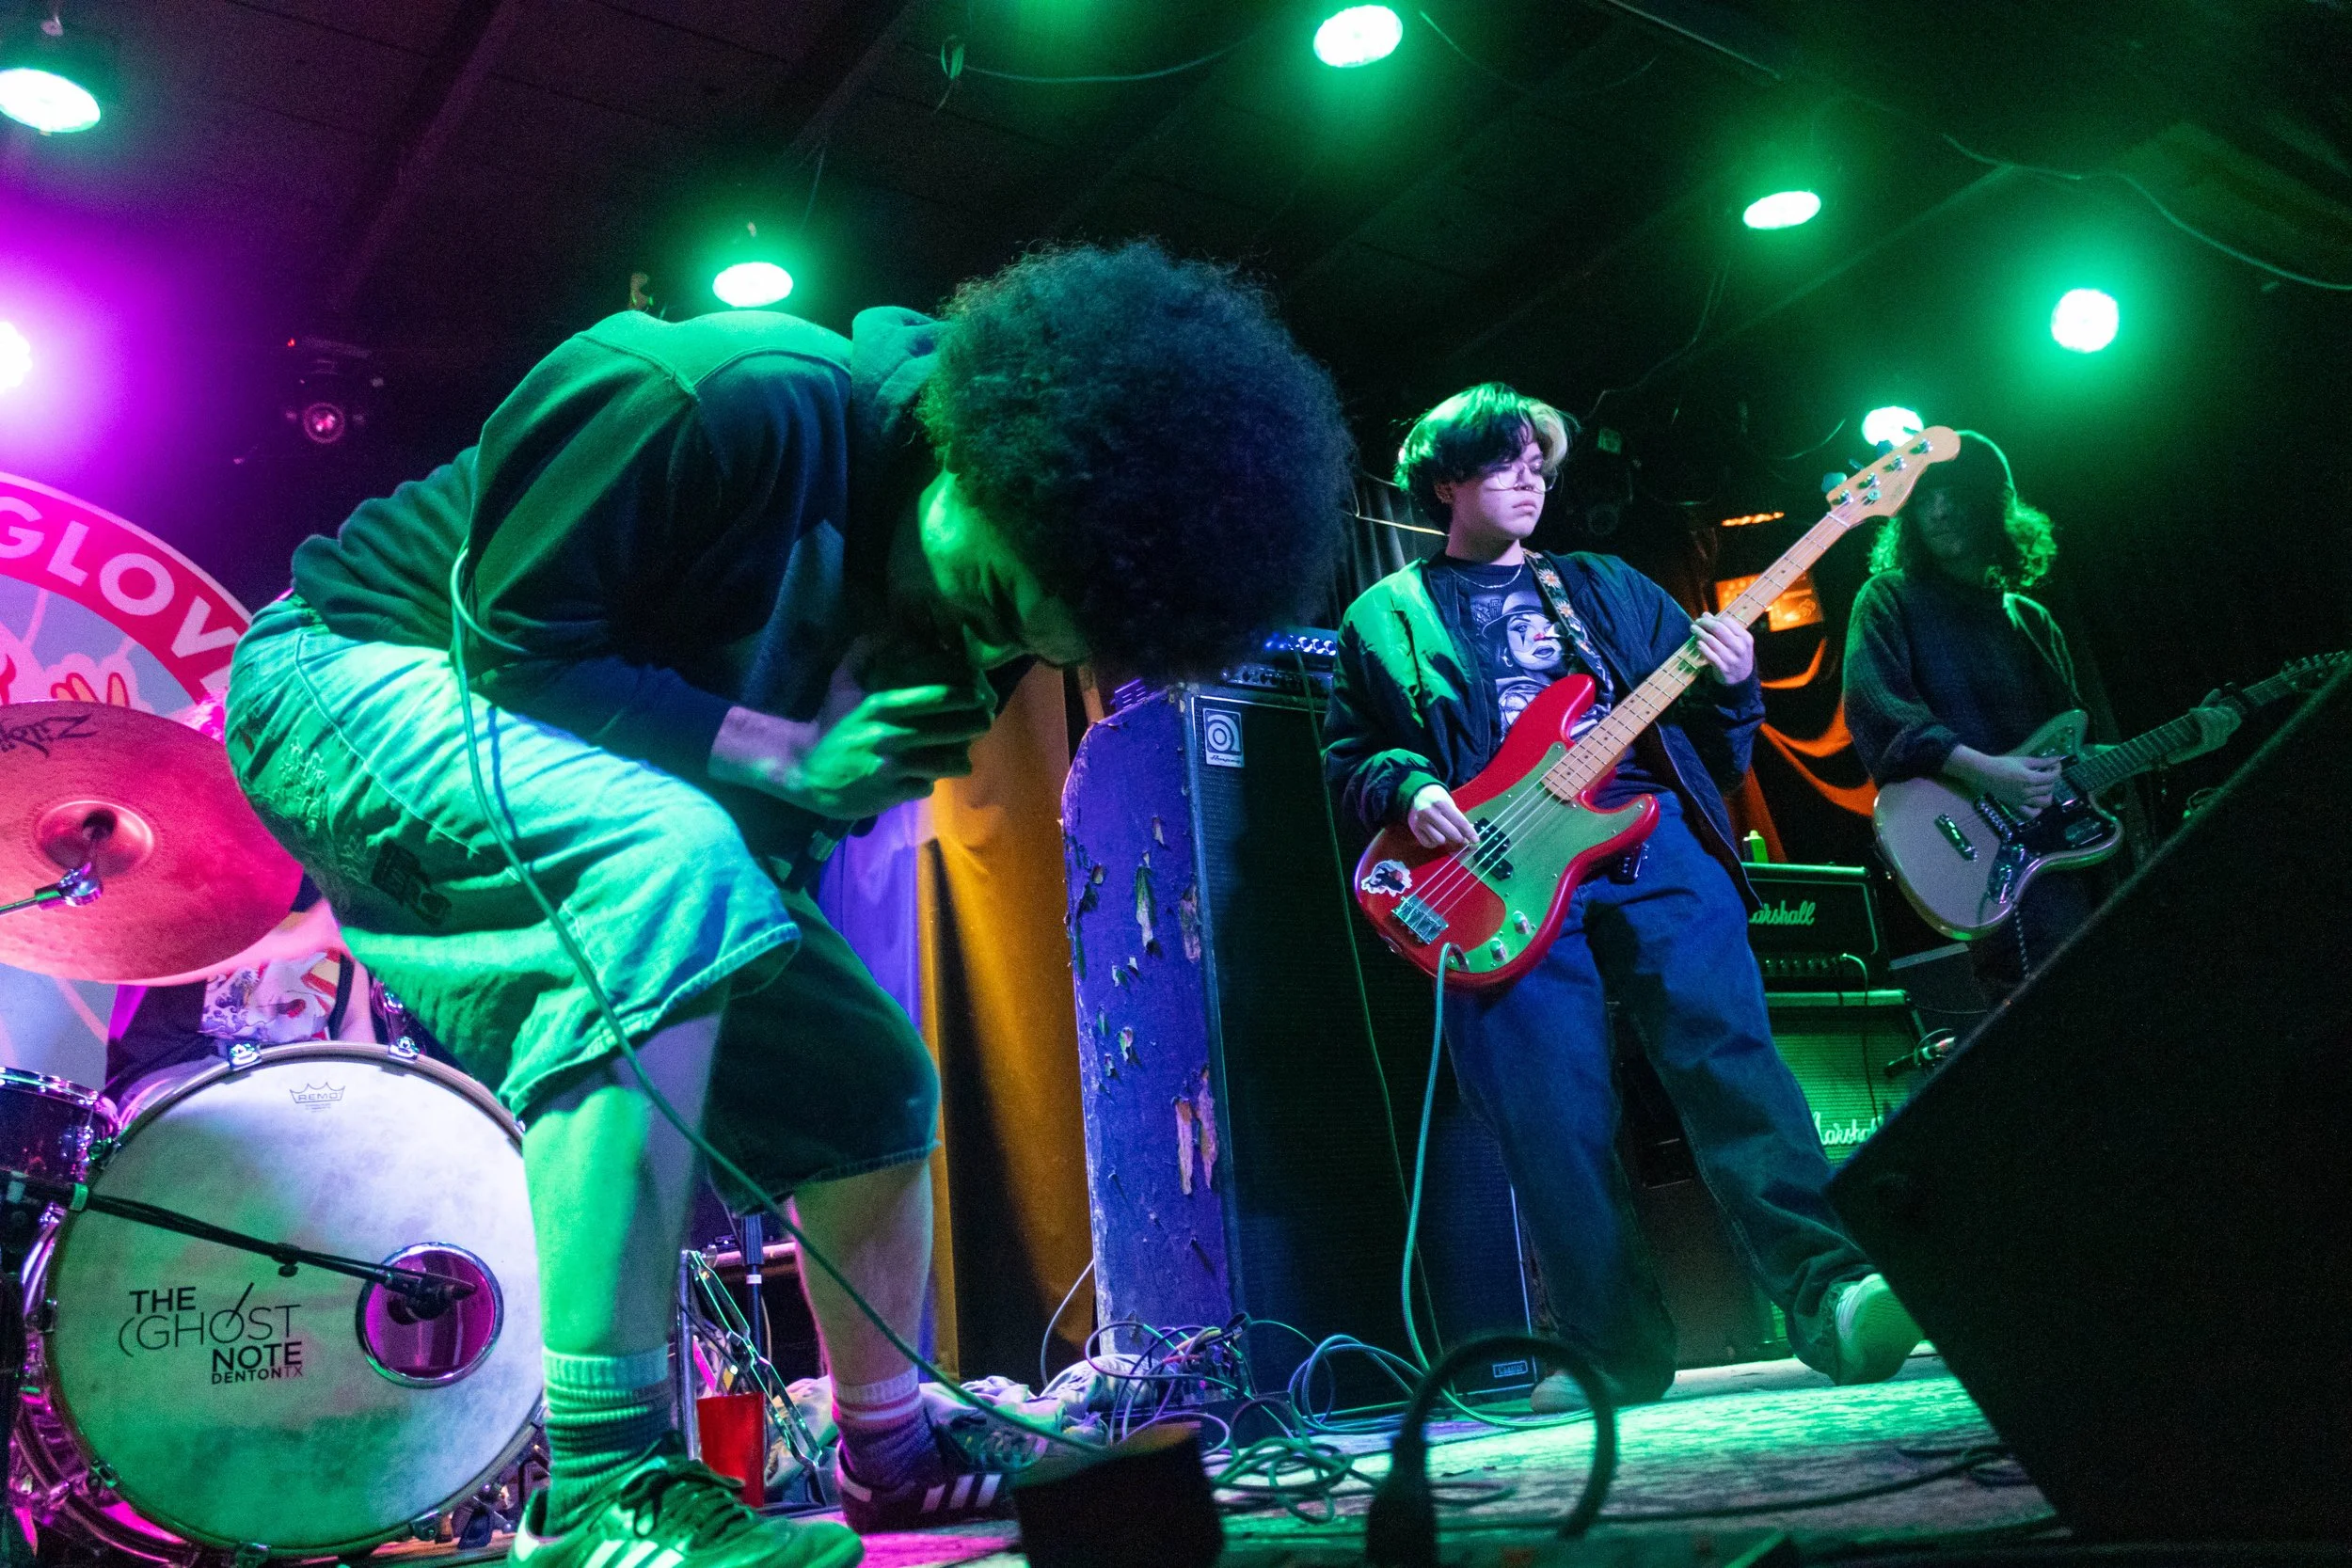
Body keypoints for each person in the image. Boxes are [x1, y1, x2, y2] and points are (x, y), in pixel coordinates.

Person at [224, 242, 1351, 1566]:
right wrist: (782, 753)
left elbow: (775, 839)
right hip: (347, 668)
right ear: (975, 442)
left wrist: (755, 993)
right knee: (673, 859)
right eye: (990, 595)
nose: (981, 646)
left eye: (1027, 648)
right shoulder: (713, 393)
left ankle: (893, 1448)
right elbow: (517, 652)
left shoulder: (962, 632)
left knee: (871, 1077)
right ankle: (603, 1487)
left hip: (611, 772)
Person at [1323, 383, 1921, 1412]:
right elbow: (1351, 753)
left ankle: (1831, 1293)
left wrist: (1733, 679)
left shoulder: (1607, 585)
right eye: (1505, 460)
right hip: (1497, 876)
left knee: (1732, 1067)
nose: (1530, 478)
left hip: (1654, 846)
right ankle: (1609, 1354)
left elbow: (1717, 746)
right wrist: (1408, 786)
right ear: (1447, 476)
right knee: (1550, 1118)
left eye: (1538, 464)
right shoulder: (1387, 616)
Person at [1842, 431, 2234, 991]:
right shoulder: (1890, 598)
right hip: (1978, 849)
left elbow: (2071, 759)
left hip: (2065, 856)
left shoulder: (2030, 619)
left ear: (1995, 505)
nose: (1941, 508)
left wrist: (2178, 742)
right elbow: (1880, 715)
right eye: (1924, 497)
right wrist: (1990, 772)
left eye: (1956, 492)